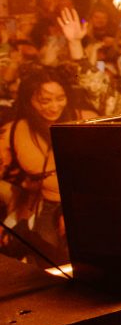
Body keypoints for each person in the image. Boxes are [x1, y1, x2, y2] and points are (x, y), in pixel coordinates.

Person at [1, 66, 93, 261]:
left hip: (87, 204)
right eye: (45, 100)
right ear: (28, 100)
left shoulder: (86, 120)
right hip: (47, 205)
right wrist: (24, 187)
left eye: (60, 98)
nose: (54, 106)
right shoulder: (16, 130)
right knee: (48, 264)